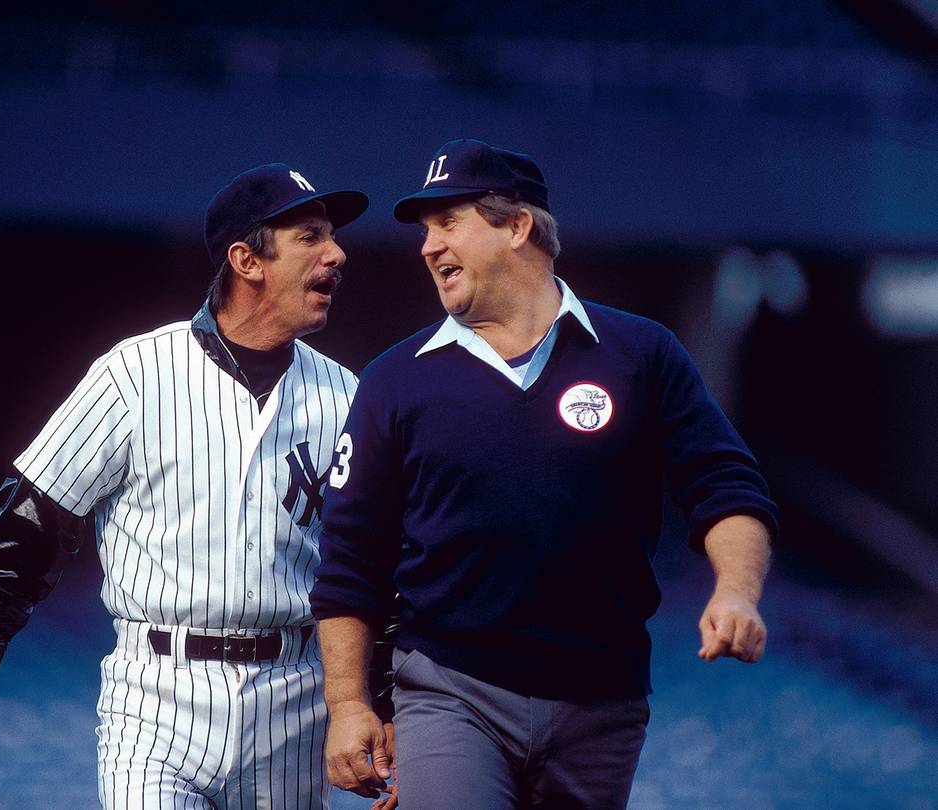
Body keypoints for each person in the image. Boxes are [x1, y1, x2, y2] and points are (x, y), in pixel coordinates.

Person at [311, 138, 778, 808]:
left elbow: (726, 485)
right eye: (424, 231)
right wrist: (351, 705)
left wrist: (736, 591)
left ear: (518, 227)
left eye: (448, 223)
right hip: (450, 688)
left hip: (602, 700)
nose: (427, 246)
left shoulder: (641, 353)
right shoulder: (394, 379)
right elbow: (350, 559)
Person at [0, 162, 369, 808]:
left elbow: (374, 564)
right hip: (159, 691)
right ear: (246, 260)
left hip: (294, 697)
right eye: (310, 235)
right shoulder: (135, 374)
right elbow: (30, 522)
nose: (337, 253)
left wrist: (379, 705)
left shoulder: (345, 393)